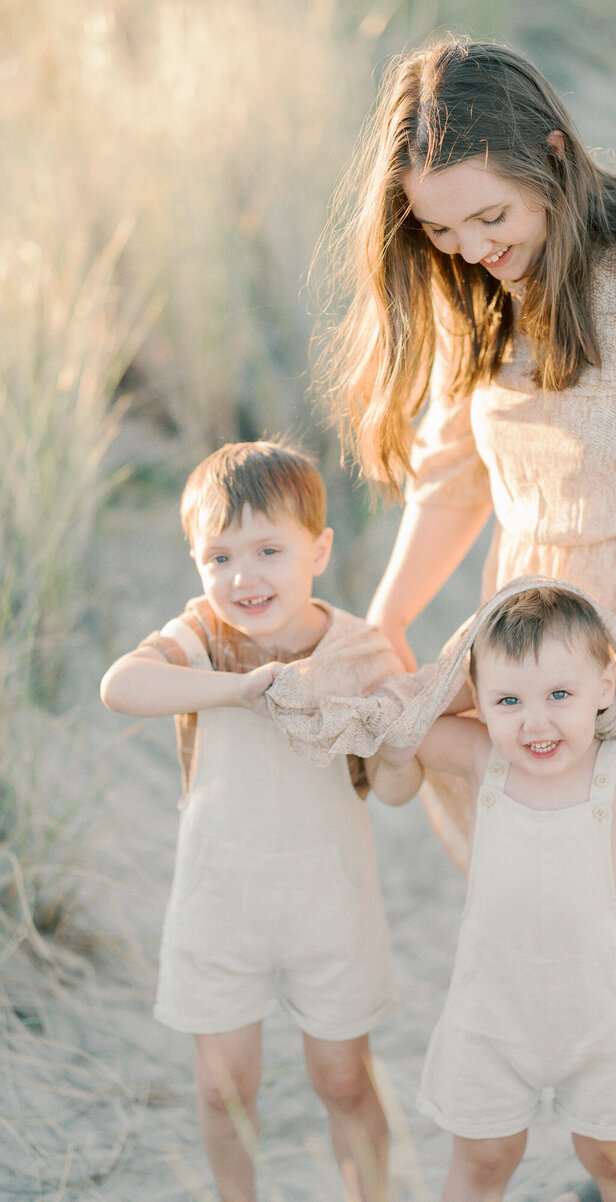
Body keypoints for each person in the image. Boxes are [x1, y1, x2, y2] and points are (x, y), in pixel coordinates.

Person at [319, 35, 616, 1202]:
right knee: (560, 913)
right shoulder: (482, 301)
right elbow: (455, 477)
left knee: (604, 924)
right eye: (438, 231)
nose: (470, 249)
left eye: (487, 215)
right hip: (530, 648)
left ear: (550, 153)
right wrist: (386, 629)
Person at [369, 585, 616, 1202]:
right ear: (478, 699)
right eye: (508, 700)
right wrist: (406, 729)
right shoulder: (480, 755)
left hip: (596, 1022)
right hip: (492, 1017)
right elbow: (395, 766)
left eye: (559, 695)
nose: (536, 722)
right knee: (484, 1163)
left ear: (604, 687)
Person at [100, 440, 403, 1202]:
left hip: (328, 905)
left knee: (342, 1080)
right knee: (222, 1086)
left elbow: (398, 788)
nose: (243, 576)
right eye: (218, 556)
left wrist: (398, 738)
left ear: (319, 549)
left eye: (270, 549)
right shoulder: (203, 636)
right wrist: (236, 691)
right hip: (221, 900)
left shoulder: (359, 648)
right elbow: (119, 686)